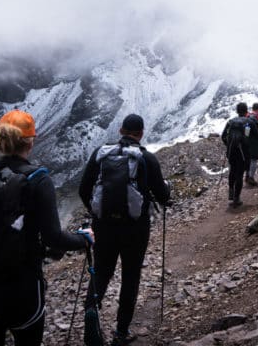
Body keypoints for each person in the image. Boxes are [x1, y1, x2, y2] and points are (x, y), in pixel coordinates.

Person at [0, 110, 93, 346]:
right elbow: (53, 238)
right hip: (20, 288)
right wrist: (83, 239)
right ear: (31, 141)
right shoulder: (38, 180)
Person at [79, 114, 171, 346]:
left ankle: (91, 318)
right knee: (131, 275)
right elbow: (162, 195)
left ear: (121, 130)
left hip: (104, 226)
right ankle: (121, 333)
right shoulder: (146, 158)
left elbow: (83, 189)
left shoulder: (101, 154)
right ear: (141, 133)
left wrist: (96, 211)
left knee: (101, 272)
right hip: (135, 228)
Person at [221, 102, 250, 207]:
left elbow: (223, 136)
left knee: (232, 171)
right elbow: (248, 138)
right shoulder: (247, 122)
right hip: (242, 152)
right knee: (239, 174)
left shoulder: (230, 122)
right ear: (246, 111)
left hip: (231, 151)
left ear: (237, 111)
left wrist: (229, 145)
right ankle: (236, 198)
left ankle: (231, 190)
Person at [245, 103, 258, 186]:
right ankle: (251, 178)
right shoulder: (254, 118)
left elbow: (247, 132)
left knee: (248, 160)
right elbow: (256, 132)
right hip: (254, 143)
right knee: (254, 159)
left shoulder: (247, 116)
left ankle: (247, 176)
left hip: (247, 142)